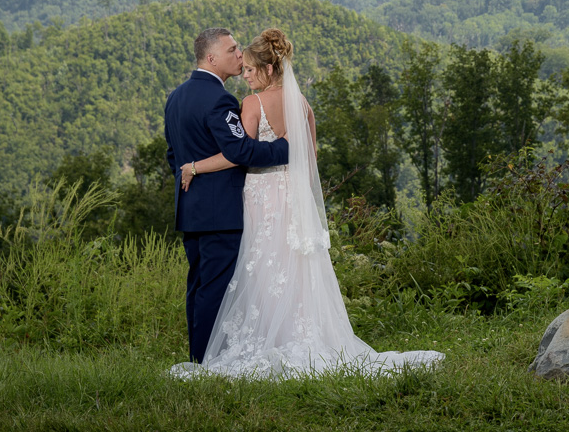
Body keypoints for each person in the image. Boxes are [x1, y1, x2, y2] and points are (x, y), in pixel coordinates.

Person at [171, 28, 443, 379]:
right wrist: (290, 147)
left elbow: (237, 154)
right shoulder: (301, 103)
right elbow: (310, 153)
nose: (245, 72)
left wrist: (193, 167)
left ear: (268, 70)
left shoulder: (242, 103)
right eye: (240, 60)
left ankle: (232, 349)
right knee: (291, 268)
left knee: (255, 271)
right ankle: (296, 336)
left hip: (249, 199)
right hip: (289, 197)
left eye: (252, 68)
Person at [164, 27, 290, 365]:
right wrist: (286, 149)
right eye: (233, 49)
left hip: (190, 209)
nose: (239, 55)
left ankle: (197, 356)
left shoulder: (175, 97)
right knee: (216, 289)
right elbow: (240, 150)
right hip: (221, 210)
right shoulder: (219, 99)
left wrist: (190, 172)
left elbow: (173, 156)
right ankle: (209, 361)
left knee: (199, 285)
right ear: (211, 57)